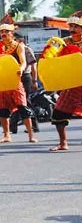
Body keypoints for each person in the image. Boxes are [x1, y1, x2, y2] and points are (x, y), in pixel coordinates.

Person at [0, 14, 38, 143]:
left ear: (12, 32)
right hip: (2, 81)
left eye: (6, 31)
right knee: (1, 109)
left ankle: (31, 135)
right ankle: (7, 135)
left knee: (23, 106)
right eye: (2, 31)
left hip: (16, 79)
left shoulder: (19, 46)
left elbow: (23, 61)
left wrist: (20, 68)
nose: (3, 33)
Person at [46, 12, 82, 151]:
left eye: (76, 26)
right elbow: (51, 58)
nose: (72, 29)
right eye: (71, 26)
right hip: (70, 84)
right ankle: (63, 143)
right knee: (59, 113)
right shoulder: (63, 42)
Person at [10, 33, 39, 133]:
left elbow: (33, 66)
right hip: (14, 77)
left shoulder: (26, 49)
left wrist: (35, 81)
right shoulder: (9, 49)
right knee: (15, 101)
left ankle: (34, 125)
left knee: (24, 101)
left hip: (25, 76)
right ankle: (13, 127)